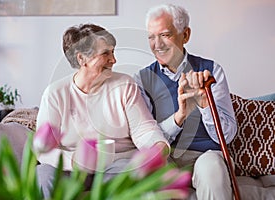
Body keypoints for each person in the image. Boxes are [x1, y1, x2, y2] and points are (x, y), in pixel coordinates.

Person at [36, 23, 170, 198]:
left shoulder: (124, 85)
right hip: (73, 168)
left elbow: (143, 129)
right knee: (43, 175)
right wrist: (77, 162)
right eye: (106, 53)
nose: (114, 60)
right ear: (82, 58)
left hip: (117, 164)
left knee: (123, 174)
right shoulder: (55, 94)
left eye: (113, 52)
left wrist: (158, 146)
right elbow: (44, 149)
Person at [134, 4, 237, 200]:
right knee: (149, 171)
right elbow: (147, 139)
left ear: (185, 35)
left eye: (165, 35)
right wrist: (180, 116)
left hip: (207, 154)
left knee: (211, 170)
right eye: (151, 36)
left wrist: (205, 103)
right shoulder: (142, 79)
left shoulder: (212, 71)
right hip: (168, 155)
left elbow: (228, 136)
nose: (157, 44)